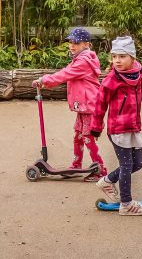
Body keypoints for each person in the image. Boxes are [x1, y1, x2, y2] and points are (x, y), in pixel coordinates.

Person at [91, 36, 142, 216]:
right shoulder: (111, 80)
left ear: (132, 58)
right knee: (127, 165)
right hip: (118, 129)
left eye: (122, 56)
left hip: (133, 127)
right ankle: (126, 204)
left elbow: (141, 87)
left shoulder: (135, 75)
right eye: (114, 57)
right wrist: (96, 127)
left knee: (137, 163)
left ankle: (107, 181)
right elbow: (100, 104)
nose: (117, 61)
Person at [32, 26, 104, 178]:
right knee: (78, 136)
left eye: (76, 43)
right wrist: (45, 82)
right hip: (84, 106)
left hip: (89, 105)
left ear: (86, 44)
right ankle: (76, 165)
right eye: (70, 42)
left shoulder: (83, 62)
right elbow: (65, 71)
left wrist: (44, 79)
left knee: (87, 137)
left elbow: (65, 74)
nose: (72, 45)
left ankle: (101, 170)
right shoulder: (79, 59)